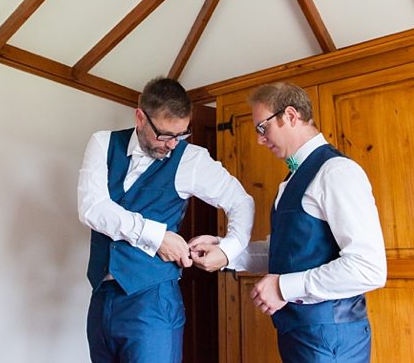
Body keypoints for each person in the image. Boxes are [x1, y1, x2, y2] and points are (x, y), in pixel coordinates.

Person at [191, 82, 386, 363]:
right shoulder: (291, 179)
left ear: (291, 115)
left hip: (330, 339)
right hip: (299, 335)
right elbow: (285, 252)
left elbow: (369, 268)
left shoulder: (337, 173)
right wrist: (226, 250)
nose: (260, 139)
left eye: (262, 127)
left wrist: (284, 287)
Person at [78, 77, 254, 363]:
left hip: (153, 302)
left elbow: (241, 202)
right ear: (140, 117)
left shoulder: (192, 159)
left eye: (181, 134)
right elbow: (91, 207)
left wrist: (228, 250)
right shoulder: (103, 143)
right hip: (101, 297)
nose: (172, 144)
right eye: (164, 134)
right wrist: (158, 237)